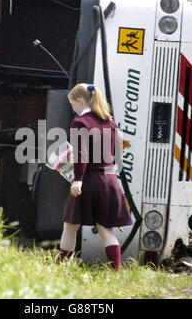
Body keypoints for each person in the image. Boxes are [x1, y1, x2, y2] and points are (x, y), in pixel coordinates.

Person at [58, 83, 133, 271]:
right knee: (105, 228)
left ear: (80, 100)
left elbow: (82, 154)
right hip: (109, 181)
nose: (73, 109)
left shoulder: (79, 123)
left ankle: (60, 269)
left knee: (70, 225)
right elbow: (116, 155)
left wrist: (77, 180)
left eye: (72, 105)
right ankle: (114, 272)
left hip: (89, 180)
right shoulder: (110, 122)